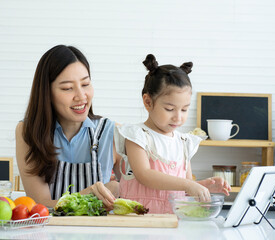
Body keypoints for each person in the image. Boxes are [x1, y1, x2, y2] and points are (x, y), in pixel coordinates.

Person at [114, 54, 231, 214]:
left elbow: (185, 186)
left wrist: (203, 186)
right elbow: (144, 175)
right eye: (169, 109)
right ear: (148, 102)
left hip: (173, 221)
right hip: (140, 220)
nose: (178, 117)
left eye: (184, 109)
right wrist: (188, 185)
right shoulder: (137, 136)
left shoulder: (184, 142)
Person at [16, 45, 121, 209]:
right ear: (47, 93)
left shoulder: (112, 132)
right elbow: (41, 206)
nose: (81, 96)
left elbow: (138, 191)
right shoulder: (28, 132)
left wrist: (118, 188)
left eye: (85, 84)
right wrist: (90, 193)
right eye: (67, 88)